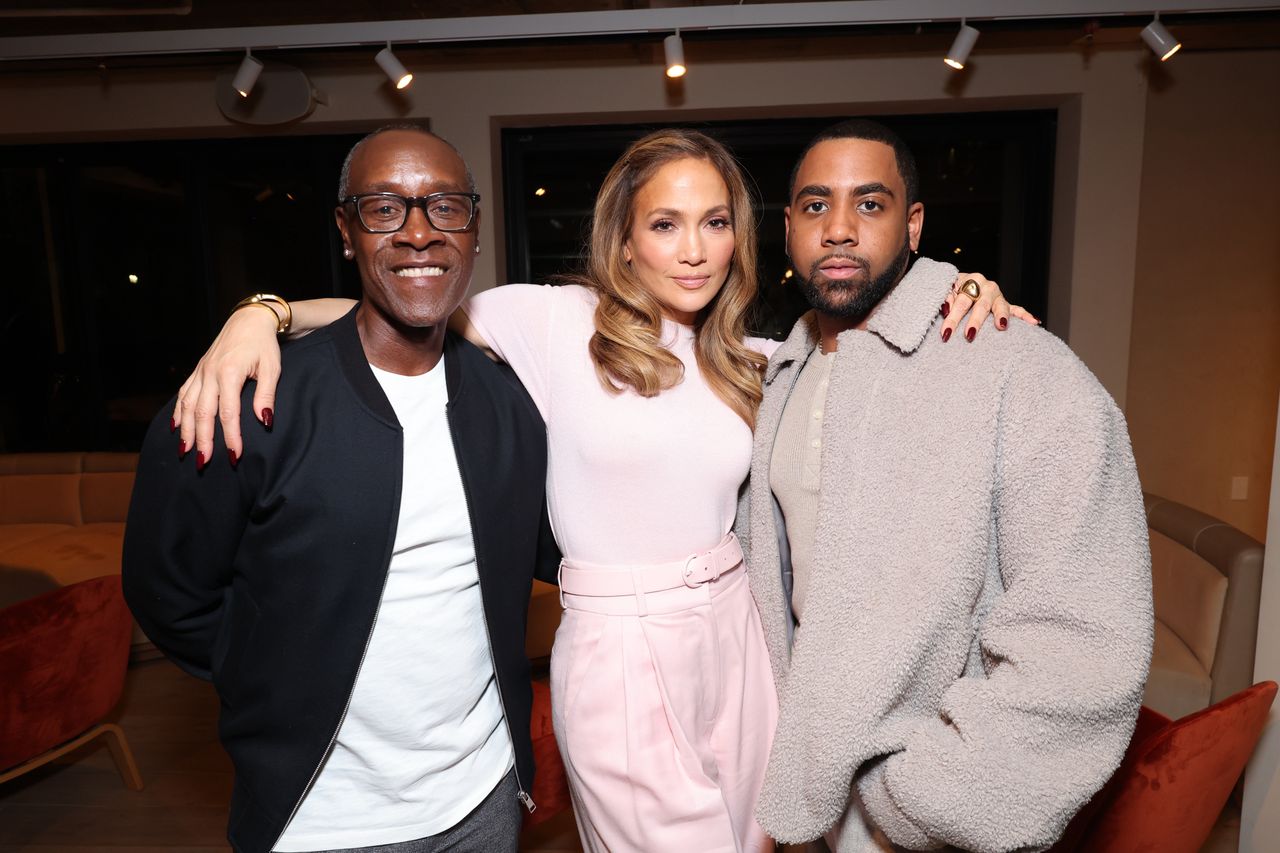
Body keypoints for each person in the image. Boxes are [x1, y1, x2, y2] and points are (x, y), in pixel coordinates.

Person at [169, 126, 1025, 853]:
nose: (693, 249)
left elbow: (886, 352)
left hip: (740, 636)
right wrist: (262, 311)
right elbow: (398, 304)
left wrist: (958, 289)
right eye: (665, 223)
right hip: (619, 646)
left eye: (715, 222)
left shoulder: (763, 359)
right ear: (624, 240)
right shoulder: (551, 322)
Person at [123, 128, 559, 853]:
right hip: (321, 819)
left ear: (475, 229)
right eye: (385, 208)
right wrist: (269, 673)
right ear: (347, 231)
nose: (420, 232)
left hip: (485, 799)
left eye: (445, 206)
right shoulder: (252, 398)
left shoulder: (507, 397)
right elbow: (168, 590)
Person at [740, 119, 1154, 852]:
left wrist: (929, 799)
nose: (838, 229)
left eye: (869, 205)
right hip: (805, 783)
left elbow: (1086, 642)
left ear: (913, 223)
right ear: (788, 228)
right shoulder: (780, 372)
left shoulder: (1019, 367)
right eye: (814, 206)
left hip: (920, 803)